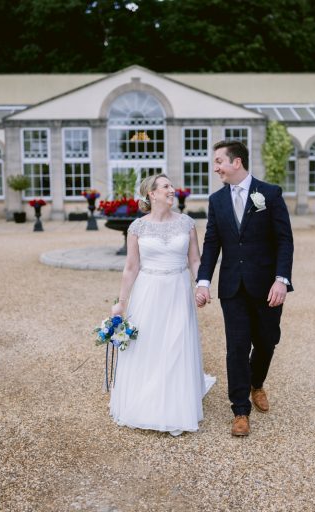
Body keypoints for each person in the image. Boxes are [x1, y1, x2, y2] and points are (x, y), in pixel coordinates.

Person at [195, 140, 294, 437]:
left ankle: (257, 384)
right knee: (237, 347)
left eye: (219, 161)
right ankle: (240, 410)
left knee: (267, 341)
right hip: (232, 287)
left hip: (267, 286)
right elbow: (212, 243)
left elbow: (284, 240)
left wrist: (281, 279)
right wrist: (203, 281)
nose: (216, 168)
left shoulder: (271, 194)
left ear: (236, 162)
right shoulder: (216, 201)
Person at [109, 174, 215, 436]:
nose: (172, 190)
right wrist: (120, 304)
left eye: (171, 186)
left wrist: (202, 285)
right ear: (151, 194)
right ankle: (147, 402)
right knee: (150, 345)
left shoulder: (186, 223)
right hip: (149, 291)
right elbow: (131, 267)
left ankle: (175, 406)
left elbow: (195, 261)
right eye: (166, 186)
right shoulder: (137, 227)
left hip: (178, 290)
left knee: (177, 343)